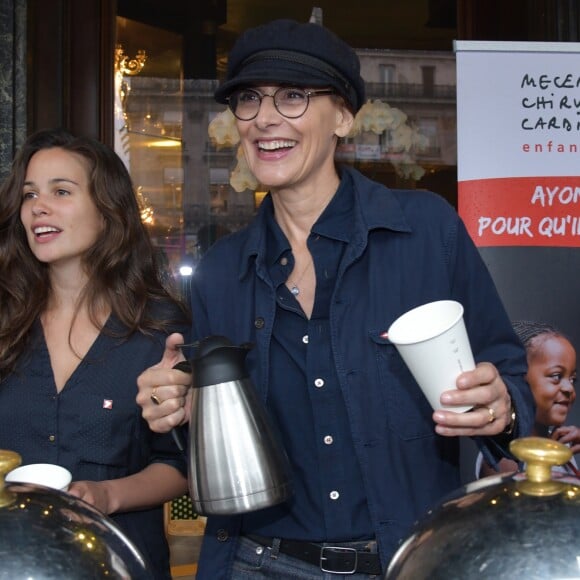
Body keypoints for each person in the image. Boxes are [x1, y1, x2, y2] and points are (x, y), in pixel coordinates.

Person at [135, 18, 534, 579]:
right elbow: (208, 442)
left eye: (293, 96)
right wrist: (174, 407)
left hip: (408, 559)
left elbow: (510, 371)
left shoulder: (425, 230)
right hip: (257, 563)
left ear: (344, 116)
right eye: (248, 100)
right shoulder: (222, 271)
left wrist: (505, 406)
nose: (265, 118)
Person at [0, 128, 190, 579]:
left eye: (61, 191)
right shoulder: (6, 319)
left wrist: (107, 495)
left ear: (108, 211)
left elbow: (180, 465)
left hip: (119, 562)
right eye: (30, 195)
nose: (38, 207)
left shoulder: (157, 326)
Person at [478, 321, 578, 478]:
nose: (569, 388)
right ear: (518, 379)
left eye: (572, 379)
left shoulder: (562, 445)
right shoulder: (504, 456)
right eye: (556, 376)